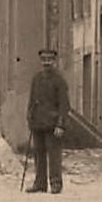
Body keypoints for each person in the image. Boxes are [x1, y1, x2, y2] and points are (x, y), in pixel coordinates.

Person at [25, 48, 70, 194]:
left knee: (54, 155)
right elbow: (32, 100)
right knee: (39, 154)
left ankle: (56, 184)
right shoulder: (36, 78)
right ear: (40, 61)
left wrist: (60, 124)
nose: (46, 63)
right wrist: (30, 117)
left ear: (54, 61)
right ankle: (40, 183)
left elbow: (64, 105)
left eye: (49, 60)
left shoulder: (59, 80)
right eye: (44, 60)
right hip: (38, 122)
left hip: (53, 124)